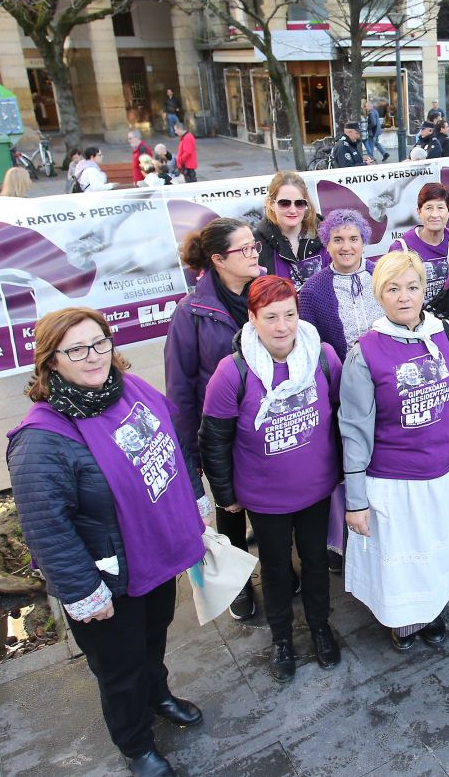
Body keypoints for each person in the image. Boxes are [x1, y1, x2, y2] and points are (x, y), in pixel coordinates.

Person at [7, 307, 208, 776]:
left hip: (154, 555)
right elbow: (46, 527)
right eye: (75, 349)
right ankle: (136, 744)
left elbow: (170, 445)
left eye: (99, 343)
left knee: (153, 638)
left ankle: (157, 695)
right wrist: (82, 592)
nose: (93, 356)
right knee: (118, 670)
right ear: (51, 361)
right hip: (106, 579)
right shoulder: (41, 440)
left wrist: (193, 496)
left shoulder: (129, 389)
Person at [199, 276, 343, 680]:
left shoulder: (323, 357)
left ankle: (320, 626)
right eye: (271, 317)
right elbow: (213, 439)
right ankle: (281, 638)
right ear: (252, 319)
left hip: (316, 487)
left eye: (290, 315)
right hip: (264, 497)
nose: (282, 327)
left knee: (315, 562)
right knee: (276, 568)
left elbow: (343, 418)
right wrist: (226, 494)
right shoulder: (233, 374)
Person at [340, 251, 449, 649]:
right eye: (393, 288)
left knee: (438, 550)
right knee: (403, 558)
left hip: (447, 468)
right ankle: (404, 621)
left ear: (425, 290)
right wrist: (355, 500)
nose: (404, 297)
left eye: (413, 287)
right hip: (393, 479)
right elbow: (354, 430)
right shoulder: (364, 352)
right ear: (379, 295)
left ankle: (432, 610)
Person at [165, 217, 266, 620]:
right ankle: (237, 582)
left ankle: (276, 567)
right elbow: (180, 390)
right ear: (219, 260)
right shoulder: (192, 313)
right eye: (244, 249)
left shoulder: (265, 291)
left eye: (254, 245)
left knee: (271, 501)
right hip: (222, 430)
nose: (254, 253)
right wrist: (192, 453)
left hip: (269, 424)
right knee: (230, 507)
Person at [298, 209, 380, 360]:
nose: (346, 247)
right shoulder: (311, 291)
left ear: (363, 242)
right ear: (327, 245)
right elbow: (310, 346)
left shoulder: (384, 275)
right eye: (338, 239)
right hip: (343, 375)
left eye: (354, 239)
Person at [254, 172, 326, 287]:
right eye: (284, 203)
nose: (293, 210)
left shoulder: (325, 234)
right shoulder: (256, 242)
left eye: (299, 203)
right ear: (271, 204)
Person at [389, 182, 449, 299]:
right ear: (419, 212)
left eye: (440, 208)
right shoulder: (401, 248)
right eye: (429, 208)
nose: (435, 214)